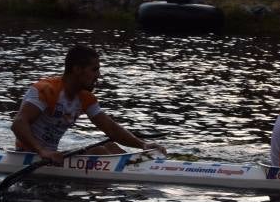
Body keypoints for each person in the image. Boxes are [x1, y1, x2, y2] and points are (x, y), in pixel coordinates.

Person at [11, 45, 166, 162]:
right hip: (28, 156)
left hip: (52, 156)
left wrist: (143, 145)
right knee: (99, 151)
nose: (98, 75)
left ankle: (138, 167)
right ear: (77, 69)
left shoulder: (85, 98)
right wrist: (42, 151)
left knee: (111, 146)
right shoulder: (46, 90)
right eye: (94, 70)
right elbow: (18, 124)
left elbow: (111, 129)